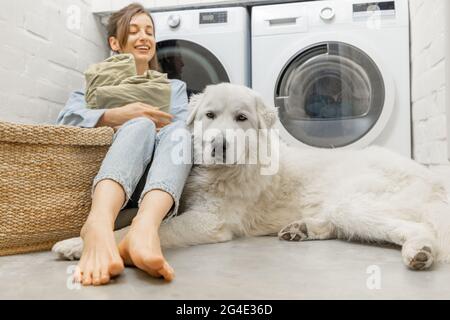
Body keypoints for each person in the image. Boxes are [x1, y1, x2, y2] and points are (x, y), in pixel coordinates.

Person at [56, 3, 192, 286]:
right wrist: (115, 115)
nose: (144, 37)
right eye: (134, 32)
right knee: (140, 124)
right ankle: (98, 223)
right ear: (115, 42)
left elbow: (177, 129)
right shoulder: (96, 83)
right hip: (109, 179)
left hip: (154, 184)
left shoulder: (173, 88)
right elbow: (66, 120)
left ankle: (144, 228)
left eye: (149, 31)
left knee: (182, 132)